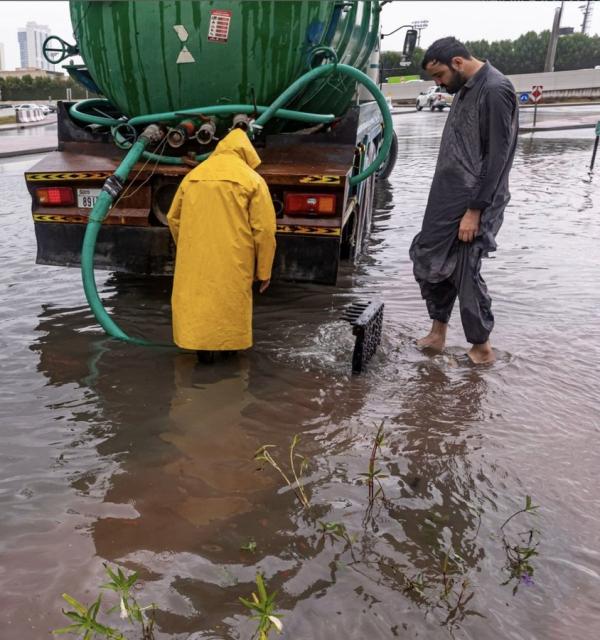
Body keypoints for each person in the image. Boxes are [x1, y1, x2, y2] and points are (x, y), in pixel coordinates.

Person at [410, 37, 518, 364]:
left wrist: (475, 210)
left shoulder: (496, 89)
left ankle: (481, 348)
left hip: (475, 200)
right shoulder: (464, 88)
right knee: (428, 256)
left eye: (439, 75)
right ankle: (438, 332)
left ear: (457, 62)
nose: (438, 83)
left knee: (465, 269)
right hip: (447, 196)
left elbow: (498, 157)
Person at [166, 128, 276, 361]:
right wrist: (264, 270)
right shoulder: (253, 180)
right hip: (235, 259)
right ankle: (229, 357)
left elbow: (173, 218)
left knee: (199, 300)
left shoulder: (194, 175)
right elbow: (264, 230)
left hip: (197, 258)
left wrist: (187, 247)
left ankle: (201, 353)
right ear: (246, 153)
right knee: (230, 302)